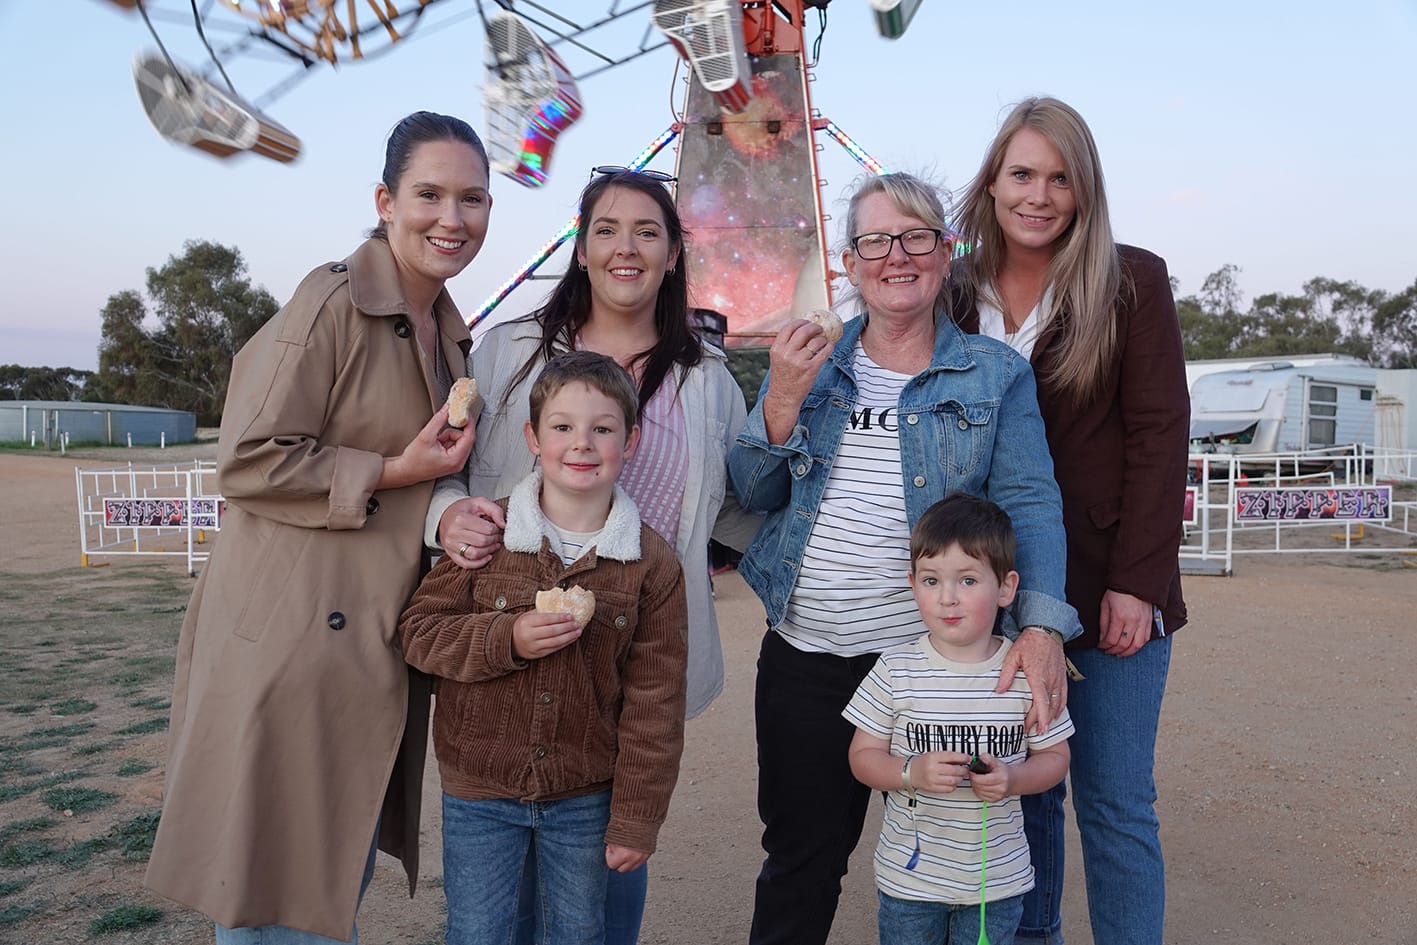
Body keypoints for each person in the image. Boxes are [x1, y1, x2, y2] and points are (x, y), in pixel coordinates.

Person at [144, 111, 491, 943]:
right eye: (430, 194)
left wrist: (445, 511)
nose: (453, 218)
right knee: (277, 891)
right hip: (293, 645)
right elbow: (249, 459)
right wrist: (397, 471)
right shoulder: (331, 300)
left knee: (326, 876)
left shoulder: (449, 334)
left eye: (473, 199)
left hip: (367, 645)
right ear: (385, 201)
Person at [727, 170, 1081, 945]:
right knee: (800, 859)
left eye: (916, 236)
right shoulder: (809, 361)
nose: (897, 255)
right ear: (849, 264)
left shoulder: (994, 373)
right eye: (875, 241)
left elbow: (1031, 501)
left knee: (965, 858)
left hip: (934, 664)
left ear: (944, 252)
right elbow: (750, 490)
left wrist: (1042, 627)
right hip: (806, 655)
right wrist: (782, 394)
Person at [425, 166, 756, 941]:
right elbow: (448, 473)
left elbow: (741, 506)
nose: (624, 248)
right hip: (511, 644)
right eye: (605, 229)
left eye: (647, 231)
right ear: (580, 246)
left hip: (632, 659)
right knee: (495, 903)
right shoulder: (507, 354)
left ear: (675, 252)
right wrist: (444, 518)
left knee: (603, 884)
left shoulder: (705, 379)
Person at [948, 96, 1190, 945]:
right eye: (1022, 174)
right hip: (991, 594)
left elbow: (1161, 436)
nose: (1038, 195)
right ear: (993, 180)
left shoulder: (1132, 280)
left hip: (1106, 584)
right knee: (1024, 797)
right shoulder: (949, 288)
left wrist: (1137, 582)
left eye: (1059, 177)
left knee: (1116, 802)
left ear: (1084, 190)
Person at [399, 350, 689, 945]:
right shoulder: (489, 532)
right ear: (533, 438)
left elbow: (654, 706)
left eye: (602, 429)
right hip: (480, 791)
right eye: (562, 427)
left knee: (579, 935)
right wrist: (507, 638)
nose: (581, 444)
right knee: (480, 933)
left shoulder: (652, 564)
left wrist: (636, 818)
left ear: (629, 442)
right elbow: (420, 634)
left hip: (586, 798)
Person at [844, 493, 1073, 945]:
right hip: (909, 884)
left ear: (1006, 587)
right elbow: (862, 756)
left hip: (997, 886)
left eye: (968, 580)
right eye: (931, 581)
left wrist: (1013, 779)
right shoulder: (895, 669)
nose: (947, 598)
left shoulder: (1025, 672)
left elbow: (1056, 758)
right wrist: (910, 772)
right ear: (913, 584)